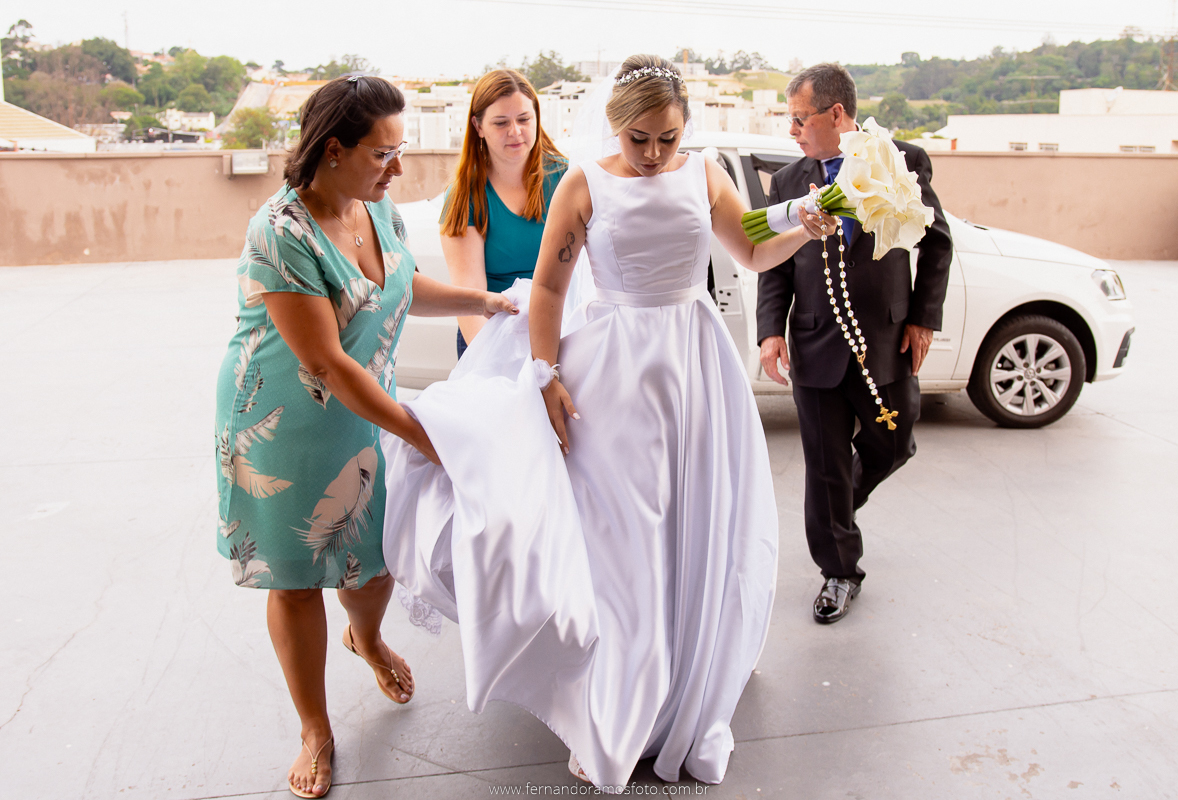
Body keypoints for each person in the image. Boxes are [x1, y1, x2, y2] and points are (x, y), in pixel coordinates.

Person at [380, 55, 832, 790]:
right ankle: (620, 705)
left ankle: (688, 679)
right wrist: (545, 375)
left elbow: (752, 249)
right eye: (638, 139)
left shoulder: (706, 173)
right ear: (614, 127)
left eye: (667, 138)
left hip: (695, 367)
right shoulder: (584, 183)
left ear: (685, 127)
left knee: (696, 521)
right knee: (625, 540)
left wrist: (805, 230)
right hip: (615, 373)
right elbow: (549, 288)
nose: (652, 154)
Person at [213, 75, 515, 799]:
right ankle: (315, 728)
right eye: (383, 153)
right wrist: (424, 435)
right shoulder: (281, 232)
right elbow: (325, 362)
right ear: (333, 150)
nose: (398, 168)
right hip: (285, 425)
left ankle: (368, 637)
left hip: (366, 409)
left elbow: (401, 287)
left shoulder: (377, 208)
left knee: (376, 562)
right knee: (296, 582)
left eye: (399, 150)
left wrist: (484, 300)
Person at [756, 63, 953, 625]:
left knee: (895, 441)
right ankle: (839, 570)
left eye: (800, 119)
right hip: (815, 341)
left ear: (836, 113)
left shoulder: (902, 160)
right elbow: (775, 265)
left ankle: (838, 507)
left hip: (885, 339)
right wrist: (771, 331)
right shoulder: (787, 181)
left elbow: (937, 242)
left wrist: (923, 318)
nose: (792, 130)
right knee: (825, 467)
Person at [440, 69, 568, 357]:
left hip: (561, 330)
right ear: (478, 126)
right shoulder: (464, 196)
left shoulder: (566, 179)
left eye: (524, 119)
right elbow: (470, 303)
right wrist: (494, 363)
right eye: (501, 122)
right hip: (490, 338)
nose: (515, 132)